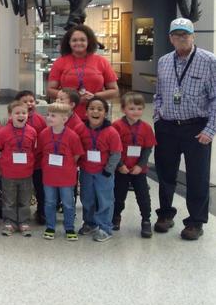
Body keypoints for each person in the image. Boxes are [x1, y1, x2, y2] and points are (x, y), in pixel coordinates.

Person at [153, 17, 216, 241]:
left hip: (196, 128)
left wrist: (210, 130)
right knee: (165, 174)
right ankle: (165, 215)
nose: (181, 38)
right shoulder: (163, 61)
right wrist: (157, 117)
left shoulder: (209, 60)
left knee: (197, 177)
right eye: (177, 34)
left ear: (193, 36)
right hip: (167, 126)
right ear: (170, 38)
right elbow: (159, 92)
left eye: (185, 34)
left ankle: (195, 222)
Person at [47, 24, 119, 120]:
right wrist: (73, 99)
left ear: (89, 41)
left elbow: (114, 91)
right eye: (74, 40)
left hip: (95, 116)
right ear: (68, 42)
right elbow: (50, 90)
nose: (78, 43)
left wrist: (95, 96)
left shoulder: (101, 61)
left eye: (82, 40)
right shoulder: (60, 62)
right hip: (67, 116)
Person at [37, 102, 84, 241]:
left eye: (53, 116)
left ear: (64, 119)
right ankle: (50, 226)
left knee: (68, 203)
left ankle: (69, 227)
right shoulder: (44, 134)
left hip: (66, 177)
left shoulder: (72, 136)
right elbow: (40, 151)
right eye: (48, 115)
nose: (49, 118)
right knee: (50, 202)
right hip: (49, 176)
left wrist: (67, 165)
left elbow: (76, 155)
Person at [112, 92, 156, 238]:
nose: (136, 112)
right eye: (131, 108)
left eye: (139, 108)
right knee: (119, 195)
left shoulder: (146, 128)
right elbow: (114, 148)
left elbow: (147, 148)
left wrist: (140, 166)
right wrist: (120, 165)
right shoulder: (116, 126)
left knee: (143, 196)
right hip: (121, 169)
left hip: (139, 170)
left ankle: (146, 220)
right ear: (123, 109)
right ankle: (116, 216)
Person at [78, 97, 122, 243]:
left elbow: (116, 153)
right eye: (91, 108)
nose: (95, 111)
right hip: (86, 171)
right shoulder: (80, 129)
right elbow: (76, 148)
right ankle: (90, 223)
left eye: (99, 109)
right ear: (86, 112)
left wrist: (108, 170)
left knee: (105, 200)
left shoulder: (111, 132)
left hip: (104, 172)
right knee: (87, 198)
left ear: (105, 113)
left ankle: (105, 227)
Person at [0, 101, 38, 237]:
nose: (21, 115)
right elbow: (0, 148)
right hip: (9, 173)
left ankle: (24, 221)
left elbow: (33, 149)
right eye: (17, 113)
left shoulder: (32, 132)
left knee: (25, 200)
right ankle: (10, 222)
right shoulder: (3, 132)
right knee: (9, 200)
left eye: (24, 113)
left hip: (26, 173)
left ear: (28, 115)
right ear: (10, 115)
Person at [16, 90, 46, 225]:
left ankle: (41, 213)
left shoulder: (40, 120)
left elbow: (44, 140)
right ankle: (20, 214)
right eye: (25, 101)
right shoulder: (13, 120)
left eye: (32, 101)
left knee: (40, 189)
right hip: (20, 164)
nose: (29, 104)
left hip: (38, 162)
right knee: (21, 190)